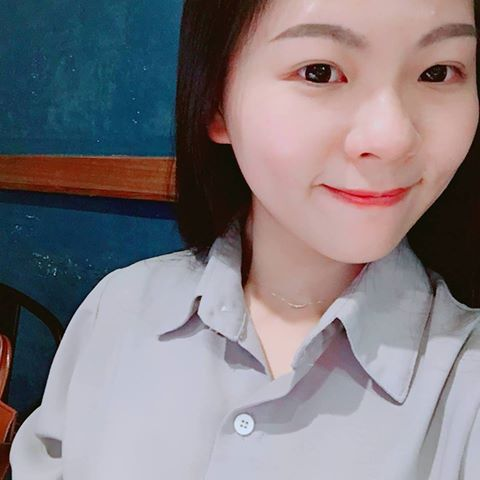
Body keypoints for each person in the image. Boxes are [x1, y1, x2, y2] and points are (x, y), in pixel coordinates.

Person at [9, 0, 480, 478]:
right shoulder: (118, 309)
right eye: (319, 72)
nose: (392, 138)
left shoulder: (466, 380)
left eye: (438, 72)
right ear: (216, 102)